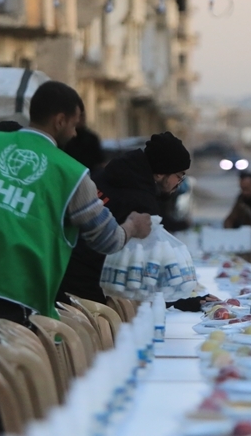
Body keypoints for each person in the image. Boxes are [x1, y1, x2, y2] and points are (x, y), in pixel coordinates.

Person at [0, 80, 151, 385]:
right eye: (74, 124)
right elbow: (107, 239)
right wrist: (133, 227)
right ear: (60, 120)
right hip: (9, 301)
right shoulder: (72, 174)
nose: (75, 133)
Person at [58, 132, 214, 310]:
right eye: (179, 175)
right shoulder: (142, 203)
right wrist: (179, 302)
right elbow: (140, 276)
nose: (179, 182)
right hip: (92, 292)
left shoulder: (107, 175)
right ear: (160, 173)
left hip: (64, 273)